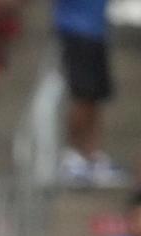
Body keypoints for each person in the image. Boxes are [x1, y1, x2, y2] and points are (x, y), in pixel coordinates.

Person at [53, 0, 126, 188]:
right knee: (82, 95)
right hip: (77, 31)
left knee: (95, 96)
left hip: (97, 32)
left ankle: (92, 155)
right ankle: (72, 156)